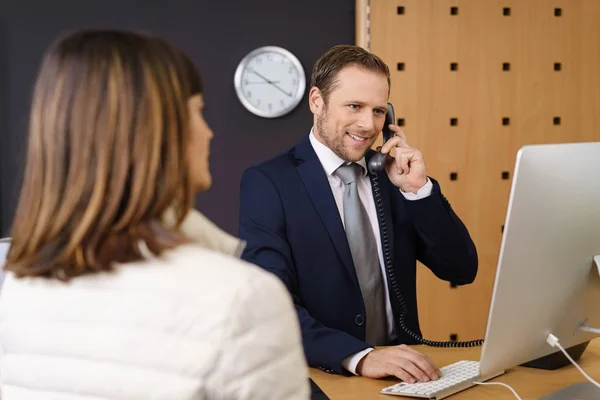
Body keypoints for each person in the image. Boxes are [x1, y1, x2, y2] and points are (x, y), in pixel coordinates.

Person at [0, 29, 309, 399]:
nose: (209, 132)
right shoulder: (242, 299)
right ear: (160, 133)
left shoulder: (21, 286)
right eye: (198, 112)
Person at [238, 44, 478, 383]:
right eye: (355, 106)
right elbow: (270, 306)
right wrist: (360, 357)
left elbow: (462, 268)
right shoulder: (269, 183)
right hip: (326, 377)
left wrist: (418, 191)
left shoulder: (396, 179)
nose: (368, 125)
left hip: (406, 375)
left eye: (379, 111)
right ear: (317, 101)